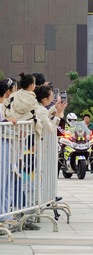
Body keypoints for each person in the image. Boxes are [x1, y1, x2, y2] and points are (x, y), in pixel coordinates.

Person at [0, 78, 18, 227]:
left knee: (7, 181)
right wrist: (8, 121)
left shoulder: (3, 105)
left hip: (7, 144)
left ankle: (6, 214)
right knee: (3, 181)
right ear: (7, 92)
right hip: (2, 144)